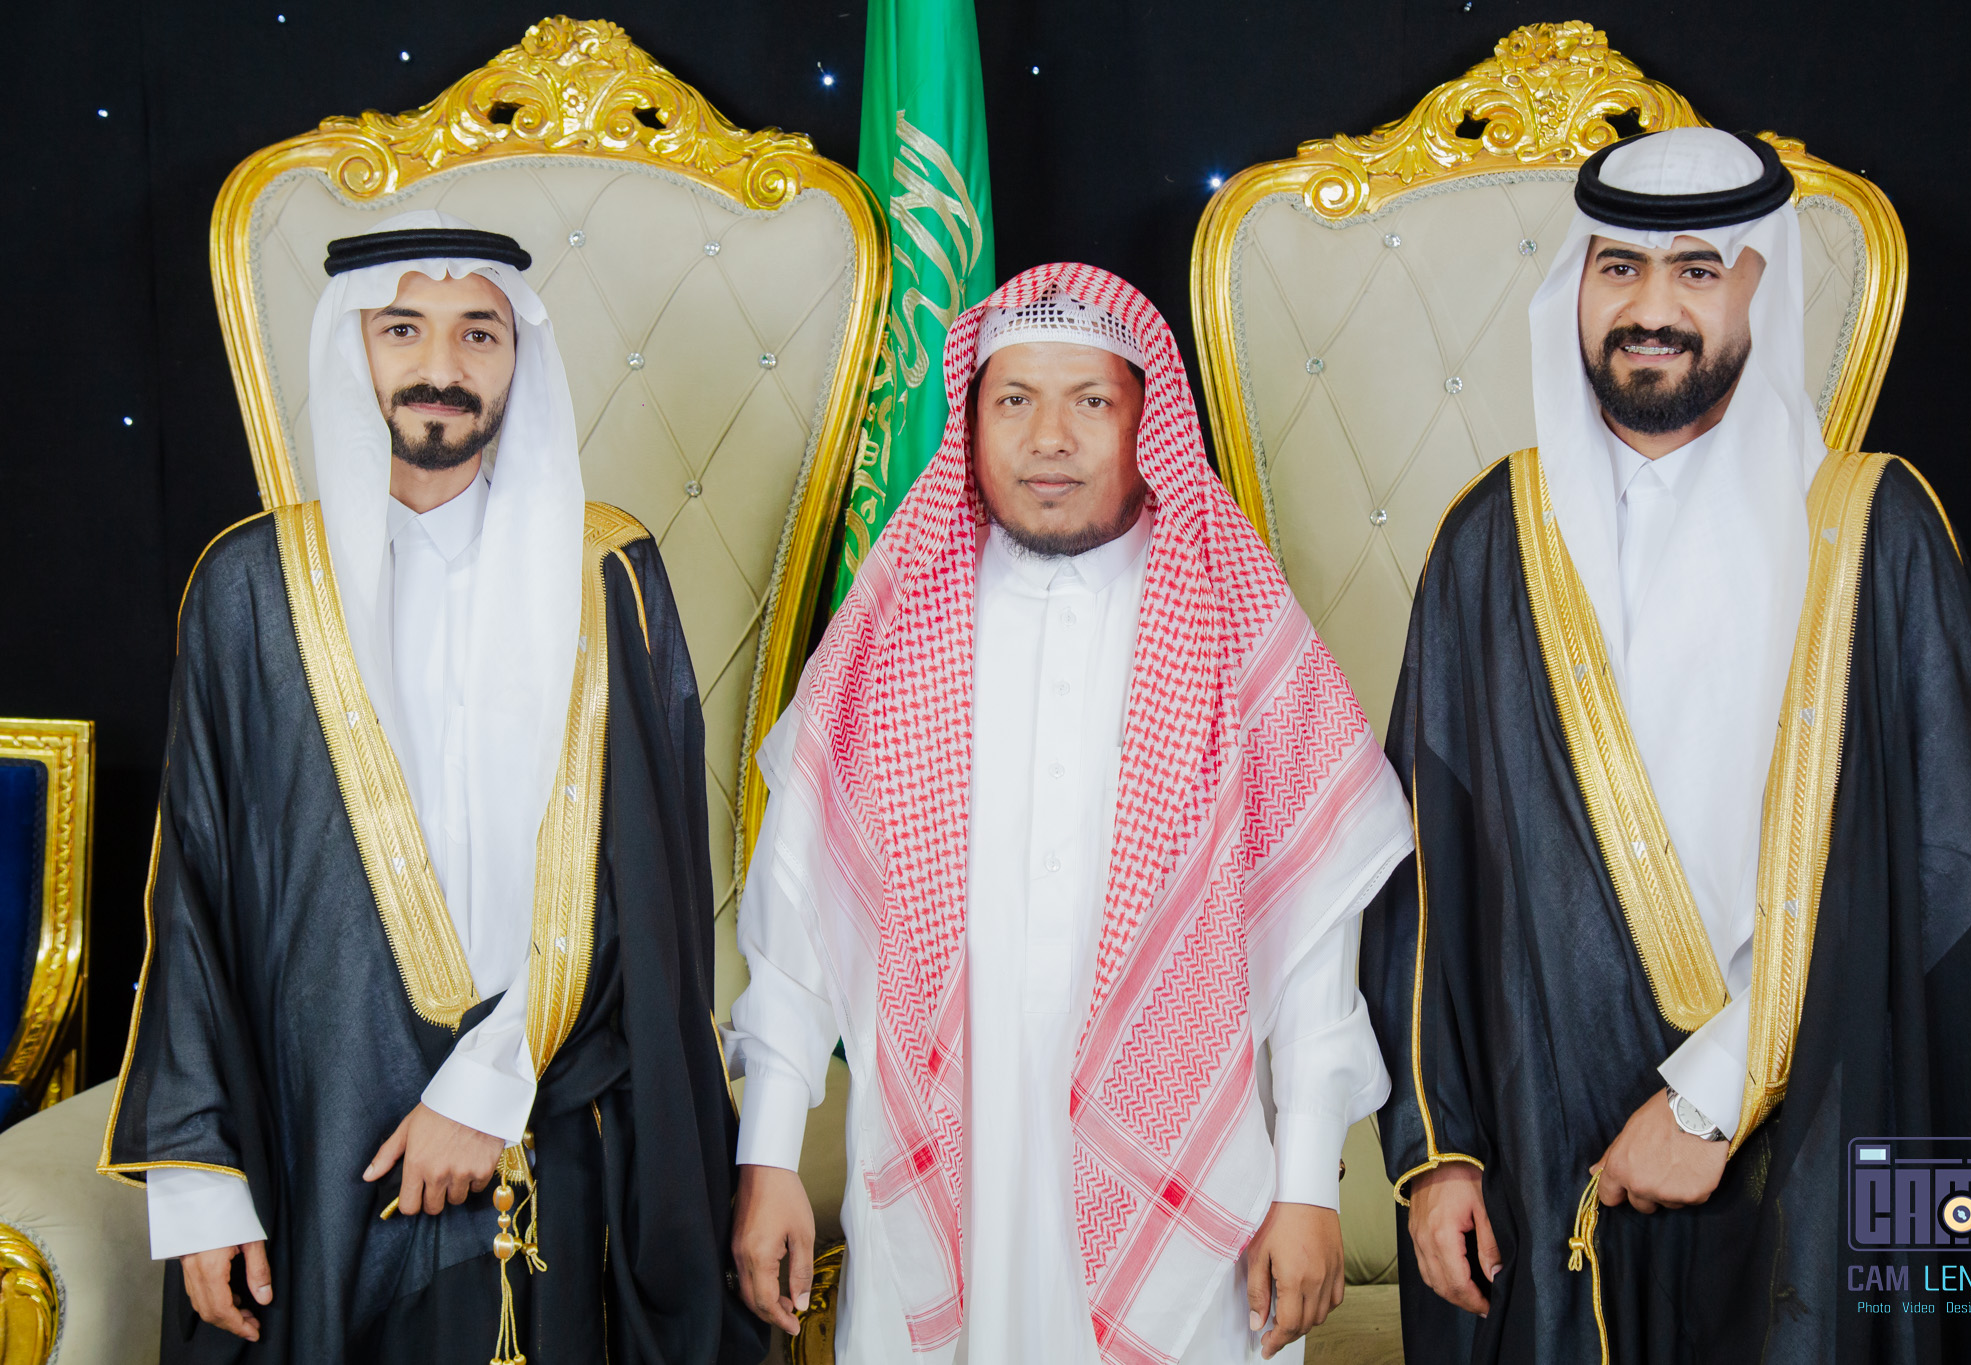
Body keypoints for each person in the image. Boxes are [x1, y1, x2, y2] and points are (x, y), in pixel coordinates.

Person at [1364, 127, 1971, 1362]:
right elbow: (1419, 870)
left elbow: (1946, 881)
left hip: (1824, 1129)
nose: (1650, 309)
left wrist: (1711, 1094)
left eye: (1695, 269)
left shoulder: (1875, 531)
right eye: (1617, 268)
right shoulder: (1489, 542)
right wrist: (1437, 1154)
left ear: (1756, 286)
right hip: (1547, 1145)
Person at [100, 212, 764, 1364]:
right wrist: (200, 1184)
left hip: (551, 1115)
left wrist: (485, 1088)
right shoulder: (250, 586)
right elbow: (194, 898)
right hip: (317, 1127)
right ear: (351, 348)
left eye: (478, 334)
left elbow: (647, 888)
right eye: (402, 330)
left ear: (519, 359)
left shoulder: (606, 574)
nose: (441, 367)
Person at [725, 264, 1413, 1363]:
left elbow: (1312, 944)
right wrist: (767, 1155)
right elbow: (797, 922)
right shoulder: (890, 633)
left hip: (1191, 1184)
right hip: (947, 1149)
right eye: (1014, 400)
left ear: (1148, 420)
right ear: (972, 420)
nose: (1049, 437)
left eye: (1090, 400)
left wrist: (1308, 1185)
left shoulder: (1236, 629)